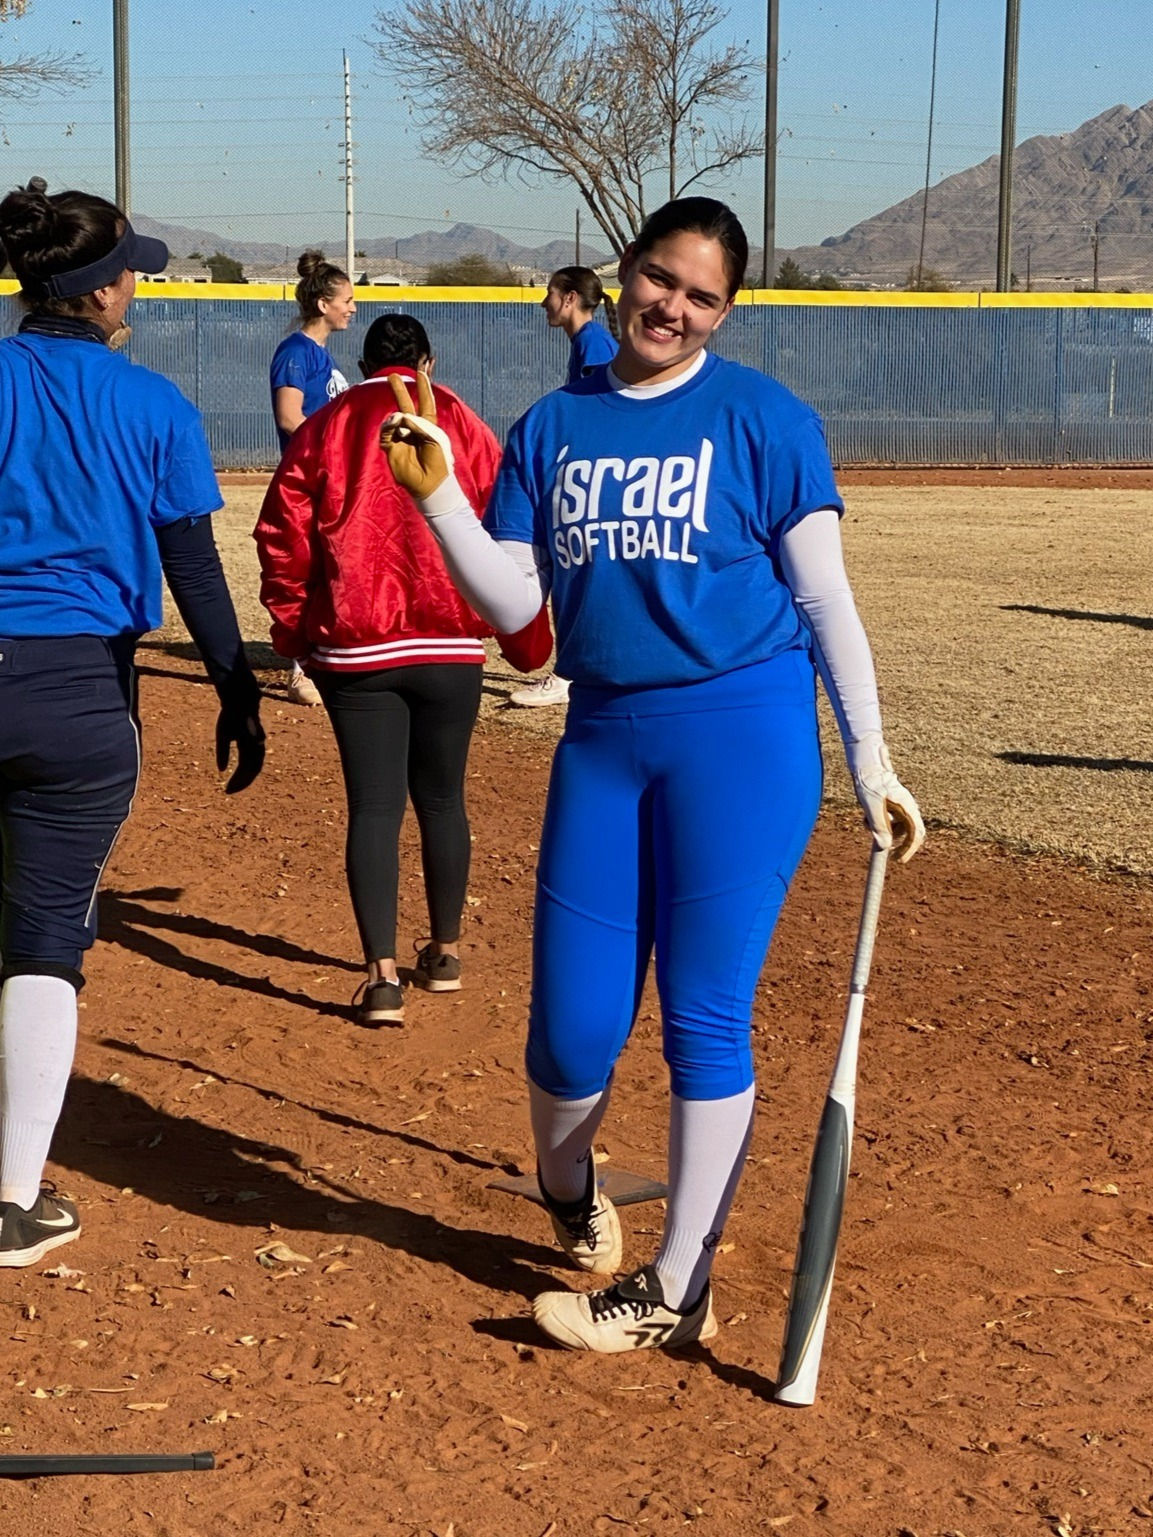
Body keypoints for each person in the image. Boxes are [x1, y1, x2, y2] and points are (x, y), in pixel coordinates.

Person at [381, 196, 925, 1353]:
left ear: (725, 311)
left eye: (702, 295)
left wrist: (870, 755)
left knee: (703, 1017)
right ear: (623, 272)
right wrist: (436, 500)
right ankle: (569, 1187)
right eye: (660, 280)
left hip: (743, 737)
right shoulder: (551, 427)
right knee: (570, 1033)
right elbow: (523, 620)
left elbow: (824, 600)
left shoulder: (763, 419)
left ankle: (677, 1286)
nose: (672, 308)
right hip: (604, 737)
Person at [0, 178, 265, 1266]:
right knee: (46, 934)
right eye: (130, 269)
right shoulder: (154, 405)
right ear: (100, 292)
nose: (137, 283)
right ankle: (13, 1197)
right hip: (79, 695)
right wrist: (235, 687)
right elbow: (193, 565)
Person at [255, 314, 546, 1028]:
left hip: (357, 646)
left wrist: (295, 631)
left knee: (374, 807)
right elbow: (510, 522)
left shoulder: (329, 423)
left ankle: (381, 976)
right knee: (443, 799)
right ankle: (444, 953)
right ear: (427, 359)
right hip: (450, 641)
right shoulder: (464, 422)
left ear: (362, 362)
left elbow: (281, 534)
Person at [509, 266, 620, 711]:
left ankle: (566, 674)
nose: (544, 303)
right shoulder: (586, 342)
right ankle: (571, 670)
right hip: (591, 473)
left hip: (595, 478)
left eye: (550, 294)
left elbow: (602, 410)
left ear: (570, 298)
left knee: (573, 570)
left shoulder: (594, 343)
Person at [269, 250, 356, 706]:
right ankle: (300, 670)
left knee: (332, 567)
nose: (353, 308)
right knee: (308, 570)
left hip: (330, 479)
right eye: (347, 299)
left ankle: (322, 653)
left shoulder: (321, 353)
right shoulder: (296, 351)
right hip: (308, 479)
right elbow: (289, 417)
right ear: (323, 304)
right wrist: (332, 450)